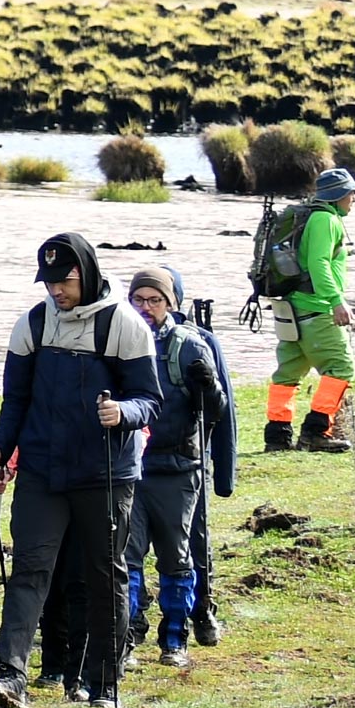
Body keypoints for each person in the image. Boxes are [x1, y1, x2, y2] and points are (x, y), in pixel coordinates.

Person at [0, 234, 159, 708]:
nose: (56, 290)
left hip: (106, 473)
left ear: (88, 273)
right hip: (41, 471)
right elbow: (16, 401)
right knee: (28, 571)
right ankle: (10, 678)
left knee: (105, 575)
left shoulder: (124, 325)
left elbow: (149, 400)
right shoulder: (32, 324)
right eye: (49, 282)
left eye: (65, 281)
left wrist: (123, 412)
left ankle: (104, 684)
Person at [125, 260, 236, 657]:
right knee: (127, 555)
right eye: (137, 299)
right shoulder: (119, 340)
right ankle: (128, 634)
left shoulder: (190, 345)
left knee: (176, 557)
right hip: (130, 469)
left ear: (170, 303)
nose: (145, 307)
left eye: (154, 300)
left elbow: (218, 411)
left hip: (177, 469)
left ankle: (175, 639)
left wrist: (208, 387)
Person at [262, 160, 355, 450]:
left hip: (291, 310)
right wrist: (336, 301)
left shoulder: (310, 217)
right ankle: (316, 431)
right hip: (316, 310)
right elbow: (319, 264)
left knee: (287, 374)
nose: (354, 198)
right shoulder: (326, 220)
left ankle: (277, 436)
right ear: (338, 195)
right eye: (351, 193)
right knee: (342, 368)